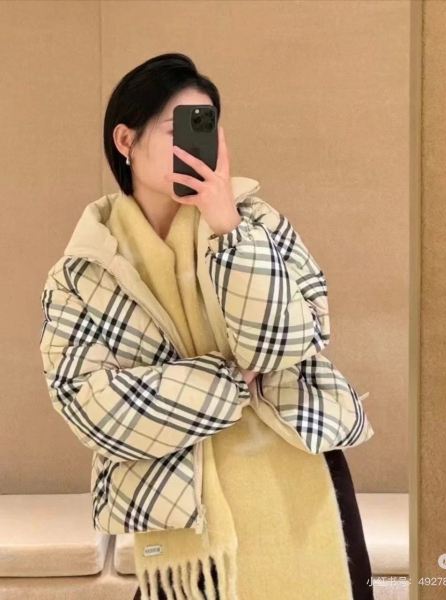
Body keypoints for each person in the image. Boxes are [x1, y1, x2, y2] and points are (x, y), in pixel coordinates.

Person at [40, 52, 374, 600]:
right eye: (178, 129)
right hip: (177, 510)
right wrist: (228, 382)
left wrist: (227, 226)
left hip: (303, 482)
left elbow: (289, 342)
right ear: (125, 140)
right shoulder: (83, 270)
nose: (197, 143)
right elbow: (91, 408)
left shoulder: (257, 223)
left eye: (206, 127)